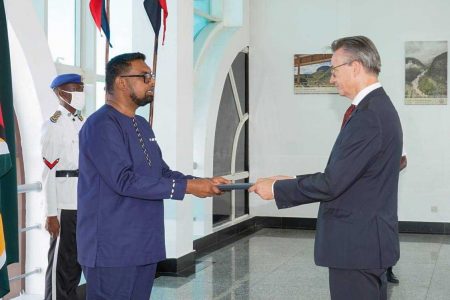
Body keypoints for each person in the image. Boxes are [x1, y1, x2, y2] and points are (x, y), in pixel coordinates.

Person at [250, 36, 403, 300]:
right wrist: (292, 179)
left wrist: (277, 189)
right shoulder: (375, 108)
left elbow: (333, 183)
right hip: (365, 243)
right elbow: (348, 174)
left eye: (333, 70)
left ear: (355, 67)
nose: (331, 78)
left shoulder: (369, 115)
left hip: (357, 246)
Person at [76, 52, 229, 299]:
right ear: (121, 82)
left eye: (152, 76)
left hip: (143, 245)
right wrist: (188, 187)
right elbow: (123, 180)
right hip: (113, 248)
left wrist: (202, 182)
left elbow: (161, 172)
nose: (152, 81)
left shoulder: (141, 124)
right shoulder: (101, 125)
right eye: (145, 76)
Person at [42, 73, 85, 300]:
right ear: (61, 93)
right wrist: (51, 213)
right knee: (61, 266)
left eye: (81, 89)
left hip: (82, 201)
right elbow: (48, 172)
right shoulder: (53, 125)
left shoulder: (81, 121)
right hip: (64, 204)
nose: (80, 94)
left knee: (75, 265)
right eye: (74, 90)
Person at [387, 153, 408, 284]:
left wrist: (385, 171)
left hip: (386, 190)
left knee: (388, 232)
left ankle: (388, 270)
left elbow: (404, 161)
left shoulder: (392, 134)